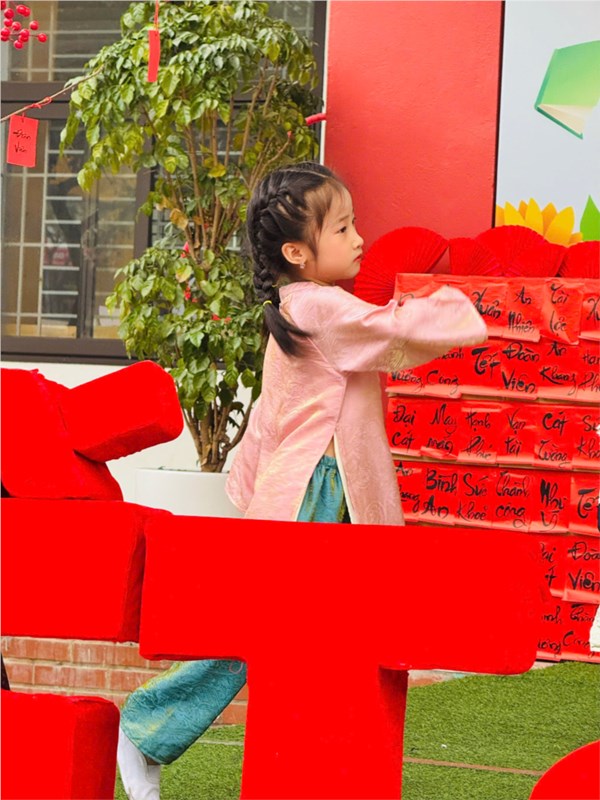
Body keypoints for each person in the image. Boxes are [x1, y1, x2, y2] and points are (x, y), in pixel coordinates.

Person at [117, 161, 488, 799]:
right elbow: (391, 331)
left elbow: (271, 414)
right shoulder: (319, 306)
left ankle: (202, 741)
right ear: (297, 251)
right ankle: (147, 727)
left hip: (321, 492)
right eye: (342, 228)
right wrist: (457, 306)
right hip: (318, 494)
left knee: (313, 640)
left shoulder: (298, 307)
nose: (359, 239)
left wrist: (251, 490)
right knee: (271, 635)